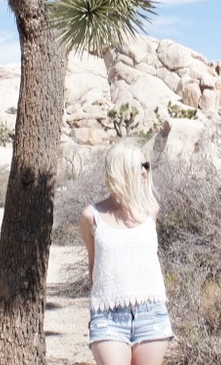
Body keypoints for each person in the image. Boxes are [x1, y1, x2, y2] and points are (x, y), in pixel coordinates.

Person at [79, 141, 174, 365]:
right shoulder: (91, 216)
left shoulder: (151, 210)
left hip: (151, 311)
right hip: (108, 314)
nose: (144, 171)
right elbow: (93, 265)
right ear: (120, 170)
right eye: (138, 166)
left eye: (146, 165)